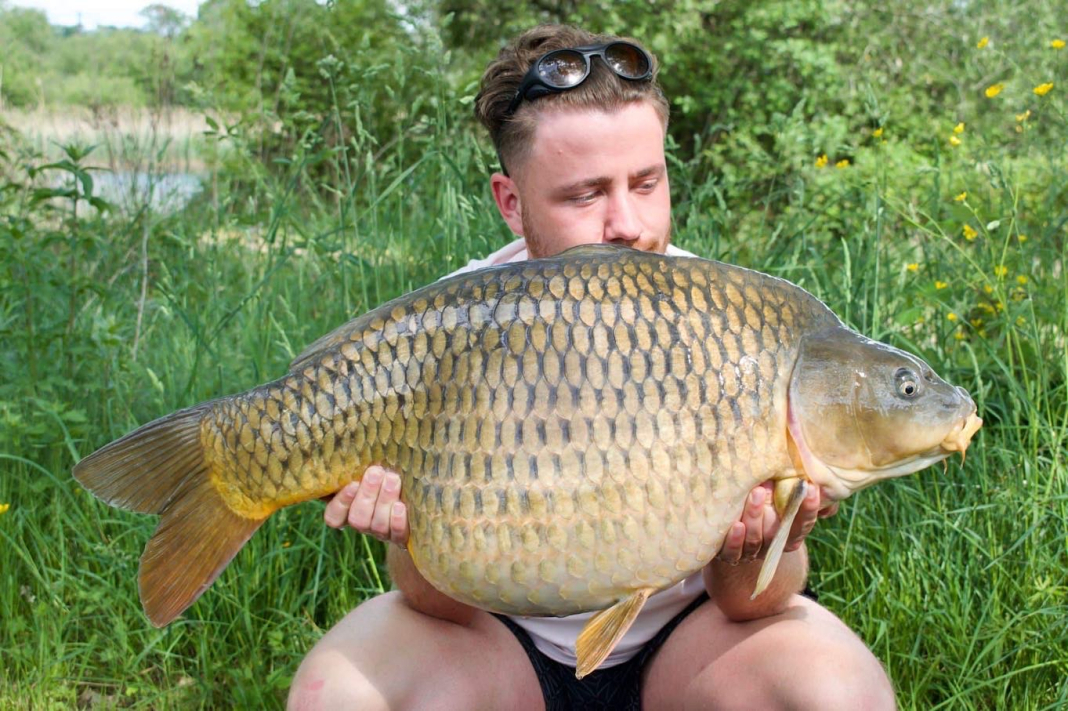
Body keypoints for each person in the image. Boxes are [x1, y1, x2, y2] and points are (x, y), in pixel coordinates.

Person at [288, 24, 896, 710]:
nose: (627, 223)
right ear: (511, 202)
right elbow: (437, 604)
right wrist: (408, 531)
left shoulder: (738, 324)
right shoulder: (445, 331)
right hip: (500, 646)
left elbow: (752, 605)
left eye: (647, 182)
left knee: (836, 692)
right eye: (585, 194)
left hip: (686, 650)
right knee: (337, 692)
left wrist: (762, 542)